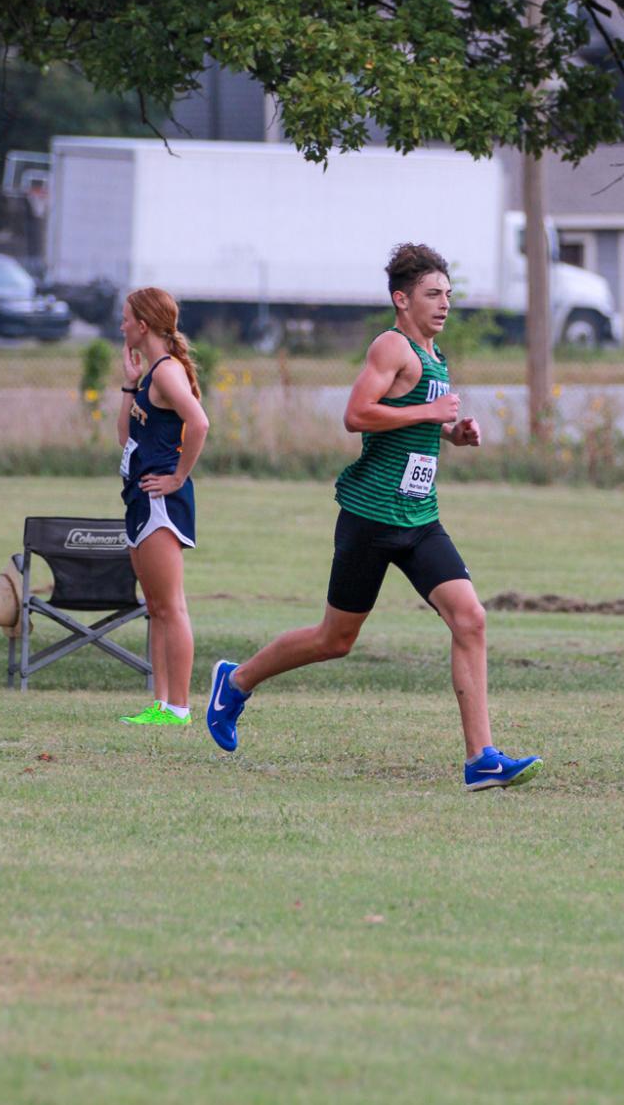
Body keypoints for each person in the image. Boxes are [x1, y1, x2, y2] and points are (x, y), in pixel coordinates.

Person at [204, 241, 542, 788]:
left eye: (448, 294)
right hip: (371, 517)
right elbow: (355, 414)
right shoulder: (392, 347)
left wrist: (453, 432)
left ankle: (482, 759)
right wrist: (433, 412)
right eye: (433, 294)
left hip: (418, 518)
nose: (445, 304)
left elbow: (412, 420)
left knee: (470, 618)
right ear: (401, 299)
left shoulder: (434, 356)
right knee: (334, 640)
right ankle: (235, 681)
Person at [116, 287, 209, 727]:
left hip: (161, 501)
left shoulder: (169, 372)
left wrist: (178, 477)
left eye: (126, 319)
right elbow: (124, 438)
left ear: (143, 325)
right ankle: (160, 703)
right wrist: (128, 385)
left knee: (171, 606)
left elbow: (200, 421)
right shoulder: (151, 375)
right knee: (155, 606)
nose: (121, 327)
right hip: (139, 495)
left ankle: (180, 706)